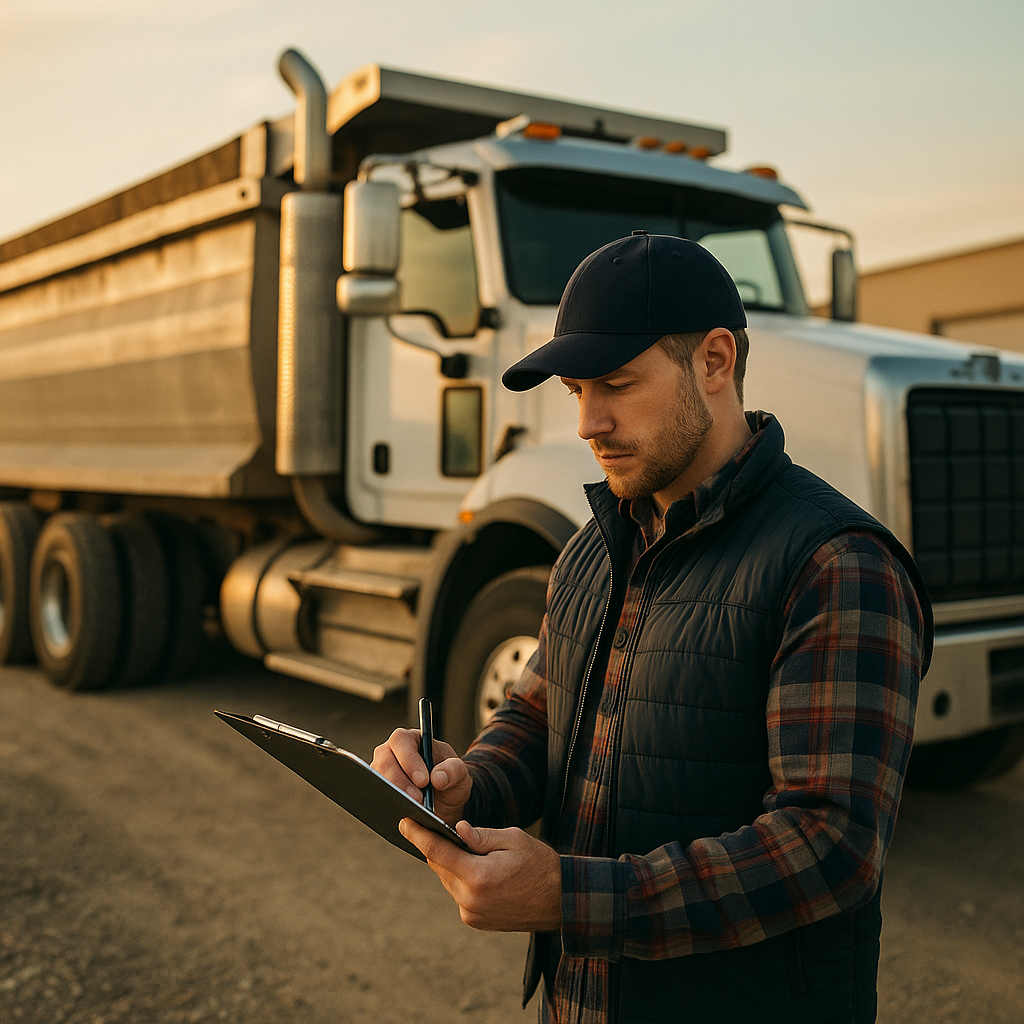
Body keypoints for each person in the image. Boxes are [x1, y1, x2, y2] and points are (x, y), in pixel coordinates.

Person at [372, 231, 933, 1024]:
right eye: (575, 391)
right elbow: (537, 716)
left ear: (715, 361)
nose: (588, 423)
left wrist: (570, 896)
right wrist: (466, 781)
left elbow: (828, 847)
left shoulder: (836, 565)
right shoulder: (590, 549)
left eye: (616, 383)